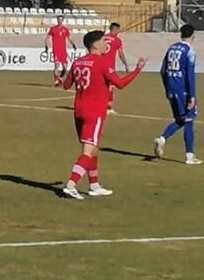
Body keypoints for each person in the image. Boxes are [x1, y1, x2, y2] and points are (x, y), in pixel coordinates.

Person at [61, 30, 147, 200]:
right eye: (102, 41)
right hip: (94, 112)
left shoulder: (78, 62)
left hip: (79, 110)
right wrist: (137, 70)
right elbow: (120, 84)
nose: (106, 44)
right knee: (87, 151)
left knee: (93, 149)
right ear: (95, 45)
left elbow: (66, 85)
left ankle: (94, 185)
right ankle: (71, 185)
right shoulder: (102, 63)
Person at [154, 24, 202, 165]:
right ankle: (189, 156)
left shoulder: (172, 47)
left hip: (172, 89)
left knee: (181, 119)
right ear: (192, 35)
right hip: (183, 91)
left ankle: (162, 139)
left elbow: (163, 70)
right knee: (189, 121)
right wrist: (192, 96)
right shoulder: (189, 51)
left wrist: (167, 89)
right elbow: (190, 75)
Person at [103, 23, 130, 114]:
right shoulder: (117, 40)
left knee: (100, 86)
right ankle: (108, 108)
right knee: (110, 86)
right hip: (110, 67)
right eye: (118, 29)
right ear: (115, 29)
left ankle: (98, 105)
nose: (119, 31)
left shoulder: (102, 38)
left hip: (100, 65)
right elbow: (121, 53)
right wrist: (126, 64)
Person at [46, 15, 77, 86]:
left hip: (63, 50)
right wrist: (46, 46)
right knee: (57, 65)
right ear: (57, 20)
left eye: (61, 19)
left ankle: (60, 77)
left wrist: (73, 44)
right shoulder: (53, 29)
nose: (60, 21)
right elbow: (47, 38)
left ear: (63, 20)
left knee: (65, 68)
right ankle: (56, 81)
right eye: (59, 19)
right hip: (56, 50)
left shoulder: (65, 29)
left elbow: (69, 38)